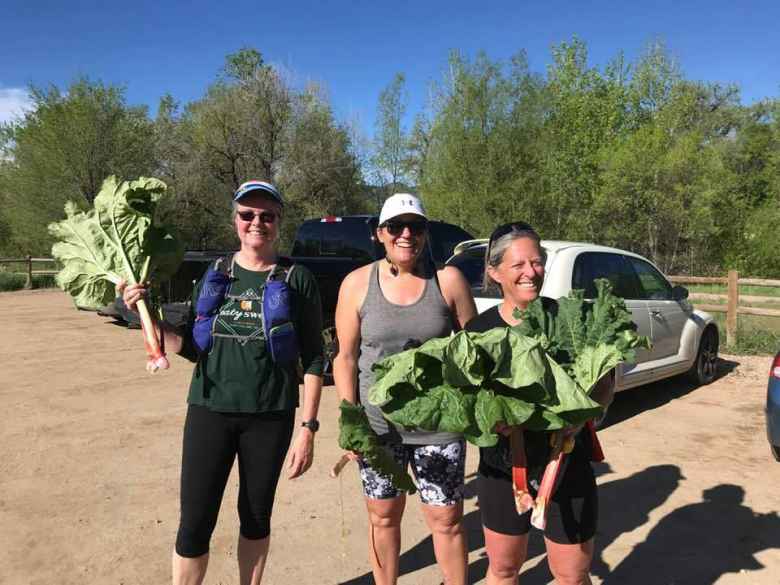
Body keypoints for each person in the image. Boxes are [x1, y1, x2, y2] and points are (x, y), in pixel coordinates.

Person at [120, 180, 324, 585]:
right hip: (209, 411)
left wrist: (308, 428)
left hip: (270, 416)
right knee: (194, 523)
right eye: (247, 215)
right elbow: (193, 348)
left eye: (267, 216)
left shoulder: (297, 278)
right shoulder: (216, 273)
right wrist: (143, 317)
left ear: (278, 222)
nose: (257, 223)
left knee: (255, 518)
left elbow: (315, 358)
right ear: (235, 220)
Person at [333, 193, 478, 585]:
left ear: (425, 233)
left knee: (446, 518)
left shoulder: (448, 281)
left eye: (415, 226)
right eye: (396, 226)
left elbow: (474, 350)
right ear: (381, 234)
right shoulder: (356, 284)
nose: (406, 234)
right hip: (380, 429)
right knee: (383, 516)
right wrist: (351, 420)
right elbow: (345, 357)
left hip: (439, 425)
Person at [464, 222, 614, 585]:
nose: (531, 272)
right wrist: (490, 420)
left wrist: (584, 412)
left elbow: (605, 382)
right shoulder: (478, 332)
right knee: (502, 570)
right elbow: (465, 404)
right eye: (518, 265)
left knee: (573, 574)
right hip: (503, 470)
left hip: (566, 465)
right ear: (494, 272)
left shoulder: (569, 319)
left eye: (537, 262)